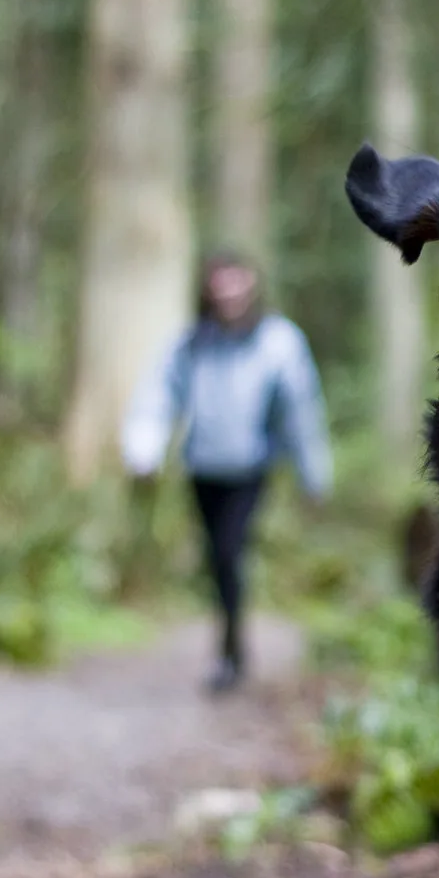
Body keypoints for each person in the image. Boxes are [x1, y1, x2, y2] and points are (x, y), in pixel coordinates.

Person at [122, 254, 333, 694]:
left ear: (253, 288)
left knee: (229, 551)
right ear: (209, 291)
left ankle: (230, 649)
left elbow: (300, 412)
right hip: (202, 469)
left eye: (238, 285)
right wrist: (144, 452)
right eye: (221, 286)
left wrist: (313, 476)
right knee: (216, 560)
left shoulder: (279, 342)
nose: (230, 294)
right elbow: (158, 398)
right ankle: (232, 640)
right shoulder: (191, 344)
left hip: (250, 470)